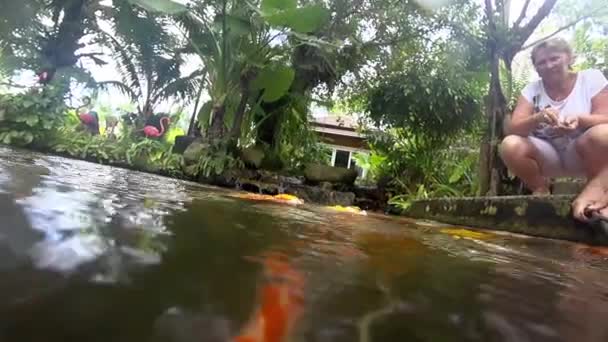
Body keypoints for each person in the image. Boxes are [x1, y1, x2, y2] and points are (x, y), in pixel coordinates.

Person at [499, 37, 608, 222]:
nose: (548, 65)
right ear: (536, 68)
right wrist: (538, 117)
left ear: (569, 58)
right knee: (510, 144)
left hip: (583, 153)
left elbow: (605, 116)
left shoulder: (590, 78)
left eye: (554, 58)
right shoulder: (531, 90)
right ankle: (540, 188)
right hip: (548, 157)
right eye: (542, 62)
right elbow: (513, 128)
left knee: (603, 133)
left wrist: (579, 119)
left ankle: (597, 188)